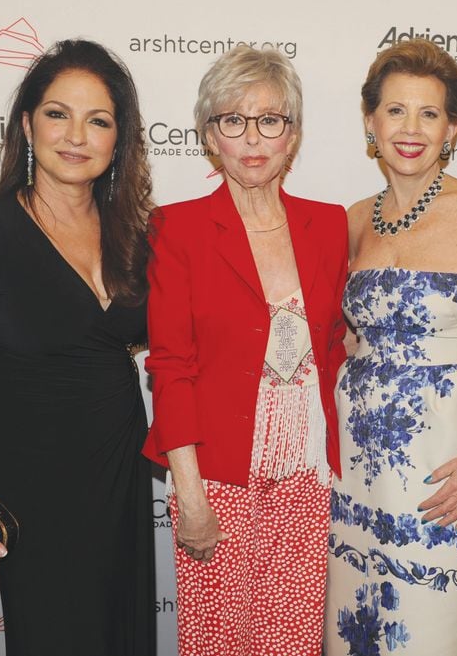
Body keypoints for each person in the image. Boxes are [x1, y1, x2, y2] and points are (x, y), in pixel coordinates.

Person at [0, 40, 157, 656]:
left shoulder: (135, 236)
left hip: (120, 479)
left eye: (98, 120)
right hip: (33, 491)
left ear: (118, 139)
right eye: (59, 114)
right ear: (27, 124)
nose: (77, 135)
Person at [325, 39, 457, 656]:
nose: (411, 128)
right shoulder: (352, 220)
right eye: (396, 111)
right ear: (371, 122)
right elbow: (342, 337)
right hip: (361, 465)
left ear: (454, 128)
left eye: (429, 114)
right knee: (360, 624)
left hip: (451, 458)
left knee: (437, 628)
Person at [142, 44, 348, 656]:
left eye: (271, 120)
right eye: (233, 121)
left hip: (309, 479)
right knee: (218, 641)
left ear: (295, 134)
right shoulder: (175, 229)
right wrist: (192, 495)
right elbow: (170, 368)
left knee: (295, 638)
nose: (252, 138)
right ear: (210, 136)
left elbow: (336, 346)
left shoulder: (331, 224)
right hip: (220, 476)